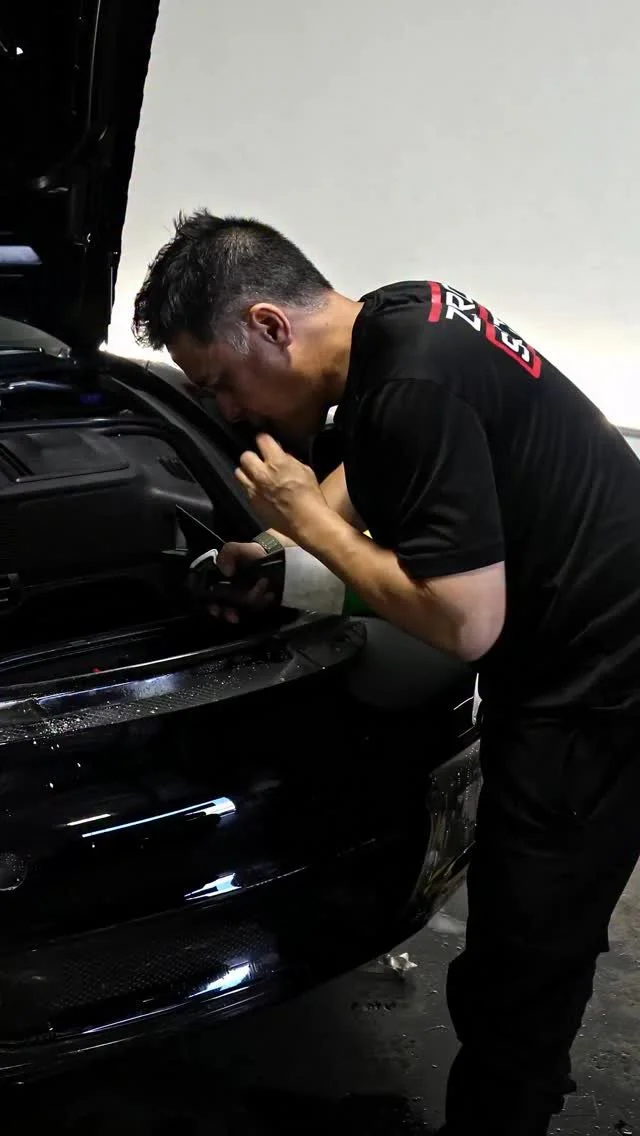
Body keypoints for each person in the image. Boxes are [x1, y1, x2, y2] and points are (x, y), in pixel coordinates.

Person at [133, 211, 640, 1136]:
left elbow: (466, 622)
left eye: (221, 383)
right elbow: (371, 466)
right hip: (587, 641)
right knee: (523, 941)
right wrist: (275, 551)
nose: (229, 411)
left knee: (524, 959)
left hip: (601, 687)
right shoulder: (401, 320)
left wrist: (308, 524)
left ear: (269, 326)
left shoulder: (408, 386)